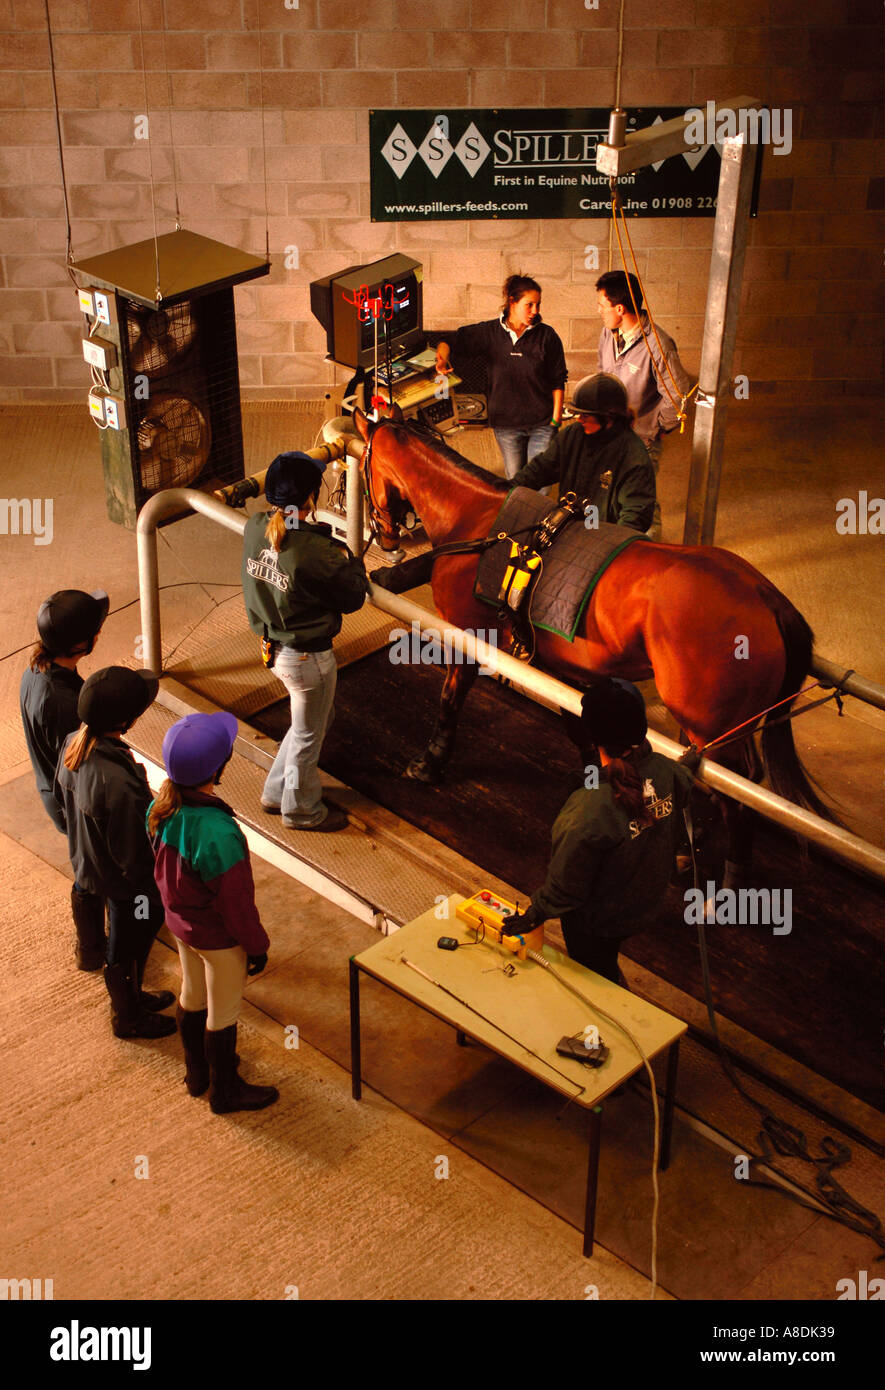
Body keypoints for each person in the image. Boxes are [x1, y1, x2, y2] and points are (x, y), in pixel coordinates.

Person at [507, 679, 694, 983]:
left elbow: (567, 881)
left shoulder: (587, 808)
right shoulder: (664, 770)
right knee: (606, 963)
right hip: (644, 903)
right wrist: (688, 766)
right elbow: (681, 785)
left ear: (592, 738)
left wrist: (536, 913)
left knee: (597, 976)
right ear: (642, 729)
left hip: (597, 922)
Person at [147, 711, 278, 1114]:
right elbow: (236, 905)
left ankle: (196, 1073)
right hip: (218, 938)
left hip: (181, 926)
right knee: (223, 1014)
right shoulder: (218, 832)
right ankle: (225, 1092)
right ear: (220, 767)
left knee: (191, 993)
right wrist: (256, 947)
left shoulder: (161, 805)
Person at [242, 451, 369, 831]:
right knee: (309, 735)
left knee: (311, 722)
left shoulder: (253, 528)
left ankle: (276, 792)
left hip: (273, 649)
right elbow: (353, 598)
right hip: (307, 659)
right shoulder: (316, 551)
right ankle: (301, 811)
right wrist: (354, 564)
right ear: (313, 497)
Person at [55, 667, 176, 1038]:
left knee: (120, 934)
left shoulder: (74, 741)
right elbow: (133, 852)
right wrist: (153, 892)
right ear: (126, 720)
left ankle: (93, 954)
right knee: (130, 944)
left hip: (87, 862)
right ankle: (128, 1015)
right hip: (127, 886)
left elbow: (64, 805)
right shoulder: (119, 783)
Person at [20, 589, 110, 971]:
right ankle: (91, 950)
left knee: (91, 866)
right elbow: (76, 769)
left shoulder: (36, 670)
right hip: (73, 802)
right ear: (82, 644)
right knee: (91, 873)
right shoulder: (63, 703)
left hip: (55, 791)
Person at [435, 273, 568, 479]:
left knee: (541, 481)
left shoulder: (547, 336)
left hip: (542, 424)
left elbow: (558, 378)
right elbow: (449, 340)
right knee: (516, 482)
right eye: (529, 304)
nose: (535, 311)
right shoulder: (490, 333)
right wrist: (442, 360)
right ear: (512, 302)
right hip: (506, 425)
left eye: (538, 305)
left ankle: (539, 513)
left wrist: (555, 419)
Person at [596, 270, 693, 540]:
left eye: (602, 305)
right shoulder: (608, 333)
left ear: (620, 308)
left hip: (640, 439)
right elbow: (602, 373)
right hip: (609, 434)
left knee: (640, 502)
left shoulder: (658, 345)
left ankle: (650, 554)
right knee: (613, 495)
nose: (599, 310)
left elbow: (679, 396)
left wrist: (655, 428)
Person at [510, 373, 656, 533]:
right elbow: (540, 469)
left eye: (585, 415)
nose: (579, 419)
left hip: (603, 537)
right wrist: (508, 491)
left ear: (608, 417)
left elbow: (635, 515)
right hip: (567, 527)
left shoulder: (633, 456)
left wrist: (611, 547)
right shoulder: (573, 435)